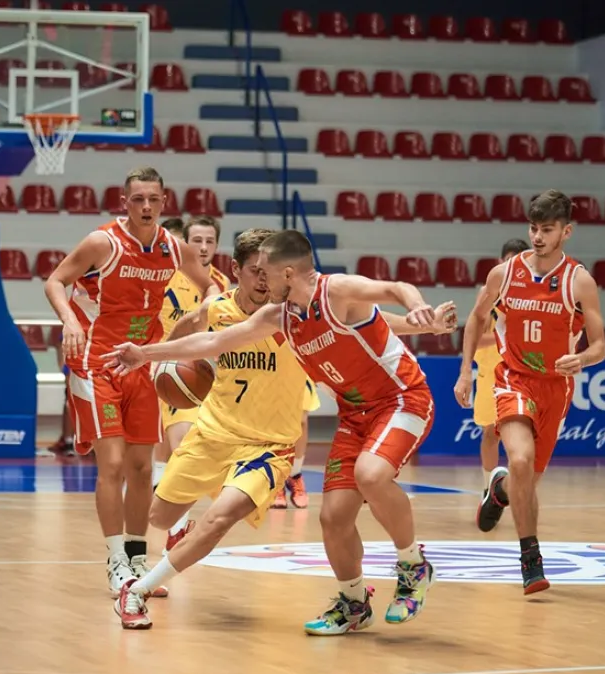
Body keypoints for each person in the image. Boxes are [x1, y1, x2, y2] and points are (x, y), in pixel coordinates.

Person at [105, 229, 458, 635]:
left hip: (401, 399)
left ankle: (413, 565)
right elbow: (216, 339)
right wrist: (143, 354)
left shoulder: (337, 290)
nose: (262, 281)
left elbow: (397, 287)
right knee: (333, 518)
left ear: (288, 274)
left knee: (370, 474)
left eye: (266, 274)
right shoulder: (280, 316)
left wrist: (420, 310)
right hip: (353, 415)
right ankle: (354, 601)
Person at [105, 228, 318, 628]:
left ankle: (137, 593)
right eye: (254, 271)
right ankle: (199, 506)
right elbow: (190, 331)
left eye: (267, 272)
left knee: (218, 521)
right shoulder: (216, 309)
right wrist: (157, 362)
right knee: (159, 518)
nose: (261, 280)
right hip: (214, 432)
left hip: (267, 446)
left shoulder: (295, 314)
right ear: (235, 271)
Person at [44, 166, 220, 598]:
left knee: (143, 470)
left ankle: (139, 562)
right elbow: (56, 280)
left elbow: (212, 286)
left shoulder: (173, 248)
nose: (145, 206)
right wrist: (69, 319)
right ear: (125, 202)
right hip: (96, 362)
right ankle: (115, 562)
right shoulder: (102, 242)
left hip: (142, 364)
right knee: (115, 465)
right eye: (137, 199)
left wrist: (201, 319)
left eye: (153, 199)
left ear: (164, 202)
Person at [453, 189, 605, 595]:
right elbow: (474, 319)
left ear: (566, 232)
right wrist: (466, 372)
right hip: (511, 378)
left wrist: (583, 360)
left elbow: (599, 346)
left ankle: (498, 492)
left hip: (555, 388)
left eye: (548, 229)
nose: (538, 237)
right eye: (534, 229)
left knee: (526, 481)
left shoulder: (580, 281)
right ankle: (530, 558)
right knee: (520, 459)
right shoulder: (504, 274)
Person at [152, 215, 231, 552]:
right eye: (195, 240)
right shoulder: (165, 274)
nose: (202, 247)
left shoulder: (222, 282)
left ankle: (167, 515)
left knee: (172, 447)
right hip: (166, 364)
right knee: (179, 442)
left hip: (200, 369)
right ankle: (175, 527)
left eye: (209, 241)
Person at [470, 239, 529, 502]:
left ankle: (515, 487)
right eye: (506, 261)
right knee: (490, 433)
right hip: (490, 368)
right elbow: (476, 339)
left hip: (520, 369)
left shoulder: (532, 295)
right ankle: (488, 489)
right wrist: (504, 334)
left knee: (520, 433)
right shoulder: (487, 292)